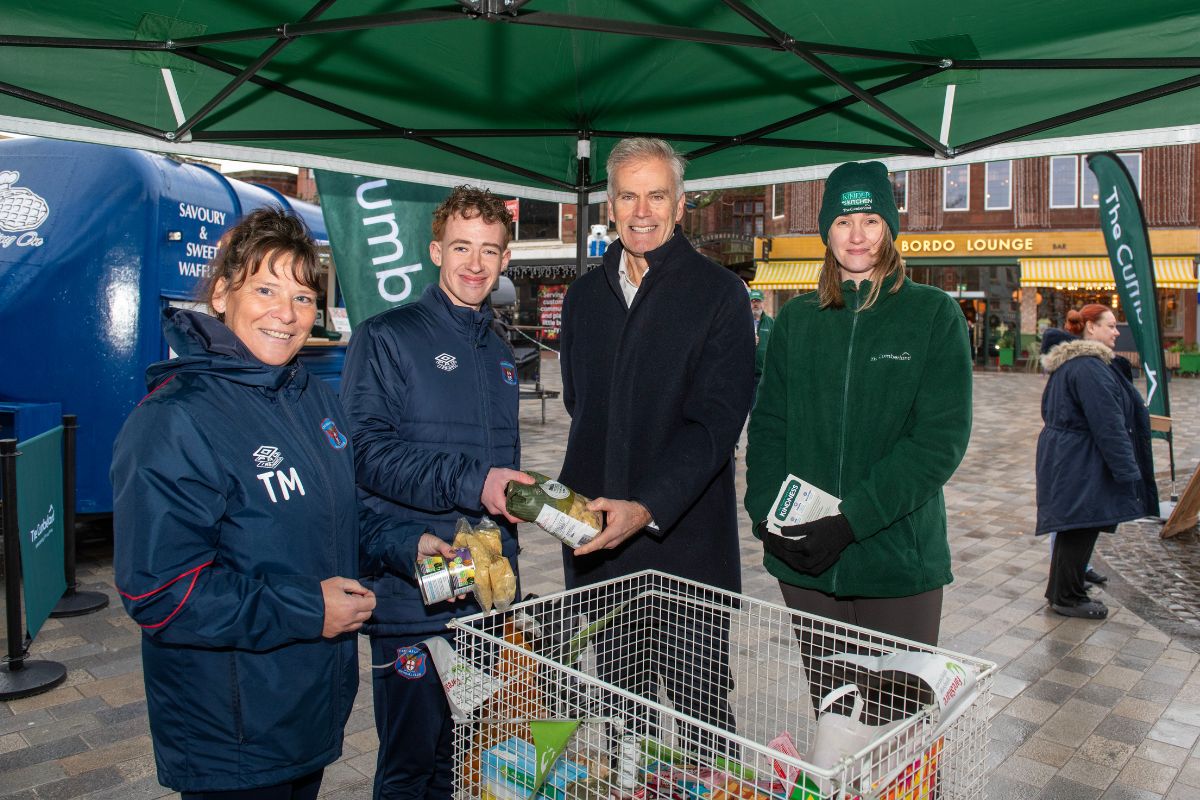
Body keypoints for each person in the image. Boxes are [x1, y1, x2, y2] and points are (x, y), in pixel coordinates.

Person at [113, 208, 448, 799]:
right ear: (221, 294)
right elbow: (161, 592)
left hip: (306, 711)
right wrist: (307, 610)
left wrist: (405, 543)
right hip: (232, 731)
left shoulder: (310, 396)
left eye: (301, 296)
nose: (286, 313)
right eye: (265, 289)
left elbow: (337, 515)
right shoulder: (174, 420)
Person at [744, 160, 972, 717]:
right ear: (827, 231)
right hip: (807, 563)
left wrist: (852, 522)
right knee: (836, 722)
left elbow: (939, 441)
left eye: (871, 219)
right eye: (844, 222)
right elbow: (769, 426)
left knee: (901, 730)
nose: (858, 235)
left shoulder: (932, 314)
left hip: (896, 561)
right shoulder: (797, 320)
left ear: (889, 228)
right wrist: (765, 515)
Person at [558, 137, 755, 745]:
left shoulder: (720, 294)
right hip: (603, 556)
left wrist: (646, 504)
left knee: (705, 732)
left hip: (687, 553)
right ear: (610, 206)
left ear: (679, 204)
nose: (641, 211)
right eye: (627, 196)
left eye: (656, 195)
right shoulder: (583, 297)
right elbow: (579, 405)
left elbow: (718, 422)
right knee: (623, 729)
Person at [339, 186, 533, 800]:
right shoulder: (386, 337)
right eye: (461, 248)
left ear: (506, 259)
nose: (475, 264)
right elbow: (365, 455)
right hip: (410, 599)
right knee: (409, 767)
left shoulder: (503, 357)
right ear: (433, 251)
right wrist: (474, 482)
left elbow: (501, 477)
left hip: (481, 598)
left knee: (462, 760)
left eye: (490, 250)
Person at [1036, 304, 1157, 619]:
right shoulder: (1088, 367)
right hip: (1080, 458)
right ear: (1090, 327)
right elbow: (1108, 422)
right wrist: (1127, 469)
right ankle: (1067, 596)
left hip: (1073, 456)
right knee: (1079, 525)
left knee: (1076, 525)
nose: (1117, 332)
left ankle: (1064, 590)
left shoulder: (1078, 364)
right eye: (1111, 325)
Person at [750, 288, 773, 405]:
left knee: (764, 406)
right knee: (751, 407)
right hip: (747, 373)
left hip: (764, 374)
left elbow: (776, 346)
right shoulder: (743, 321)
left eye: (757, 301)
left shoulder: (770, 322)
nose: (755, 304)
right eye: (753, 301)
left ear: (762, 303)